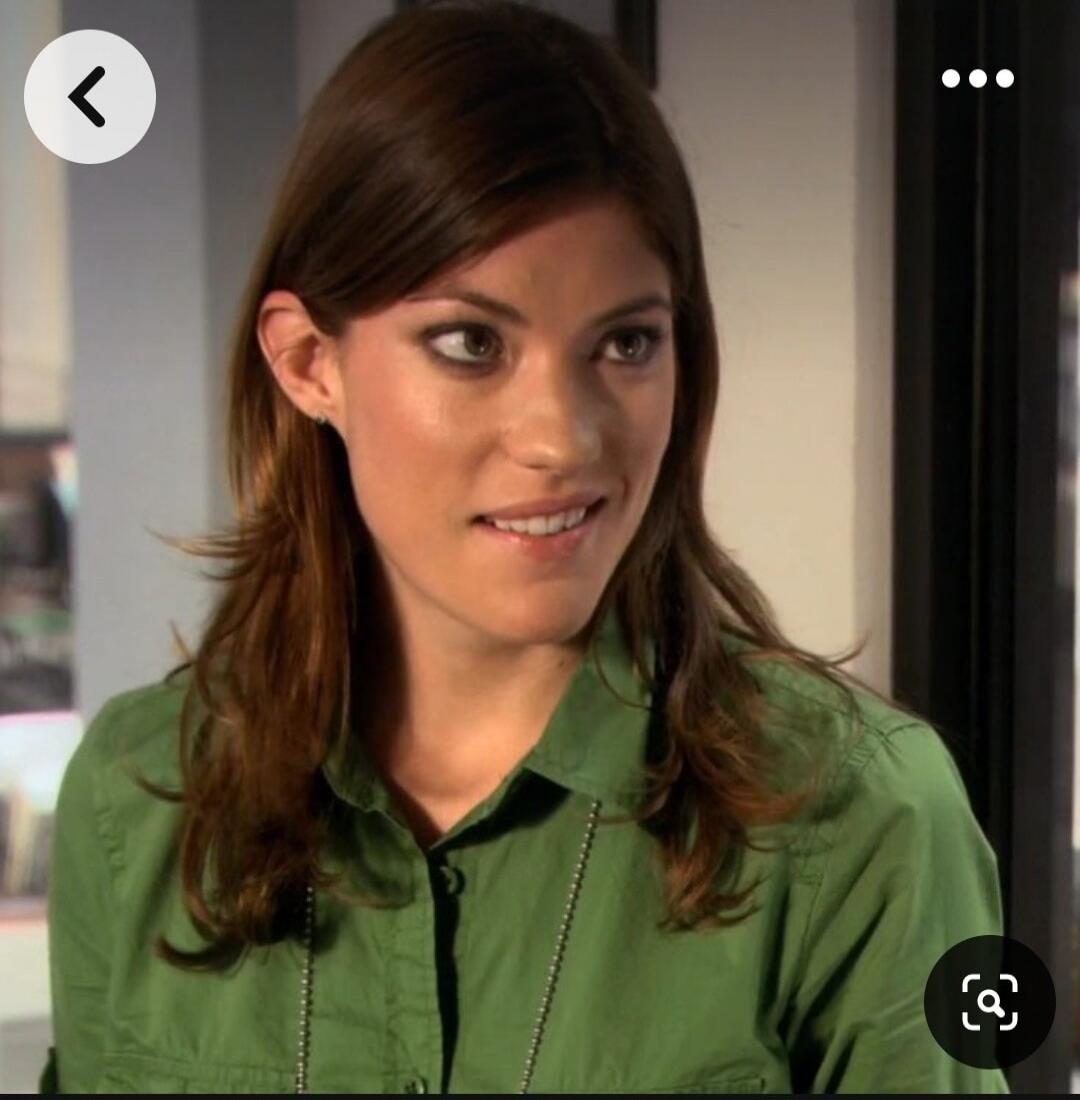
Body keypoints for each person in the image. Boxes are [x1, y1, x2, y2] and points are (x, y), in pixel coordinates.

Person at [41, 0, 1009, 1093]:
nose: (564, 437)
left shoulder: (858, 820)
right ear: (311, 360)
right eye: (471, 343)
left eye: (626, 343)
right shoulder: (139, 796)